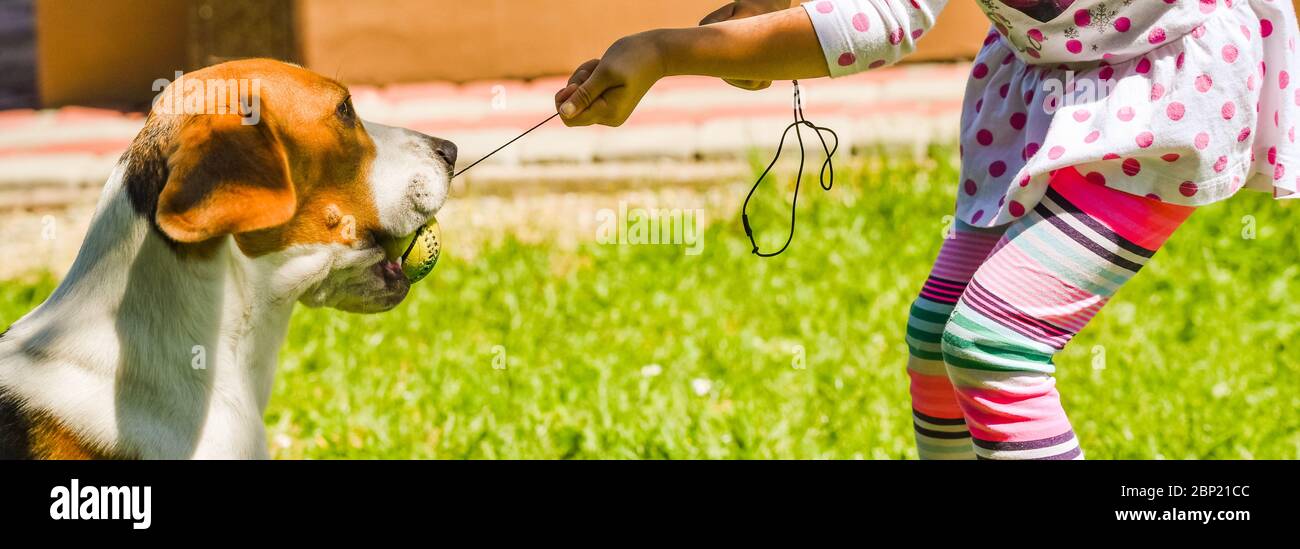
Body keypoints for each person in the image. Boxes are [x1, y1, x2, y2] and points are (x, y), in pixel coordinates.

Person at [556, 0, 1300, 460]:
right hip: (1049, 90)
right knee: (936, 338)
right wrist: (748, 30)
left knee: (994, 344)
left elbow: (877, 23)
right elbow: (857, 11)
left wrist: (665, 52)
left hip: (1165, 86)